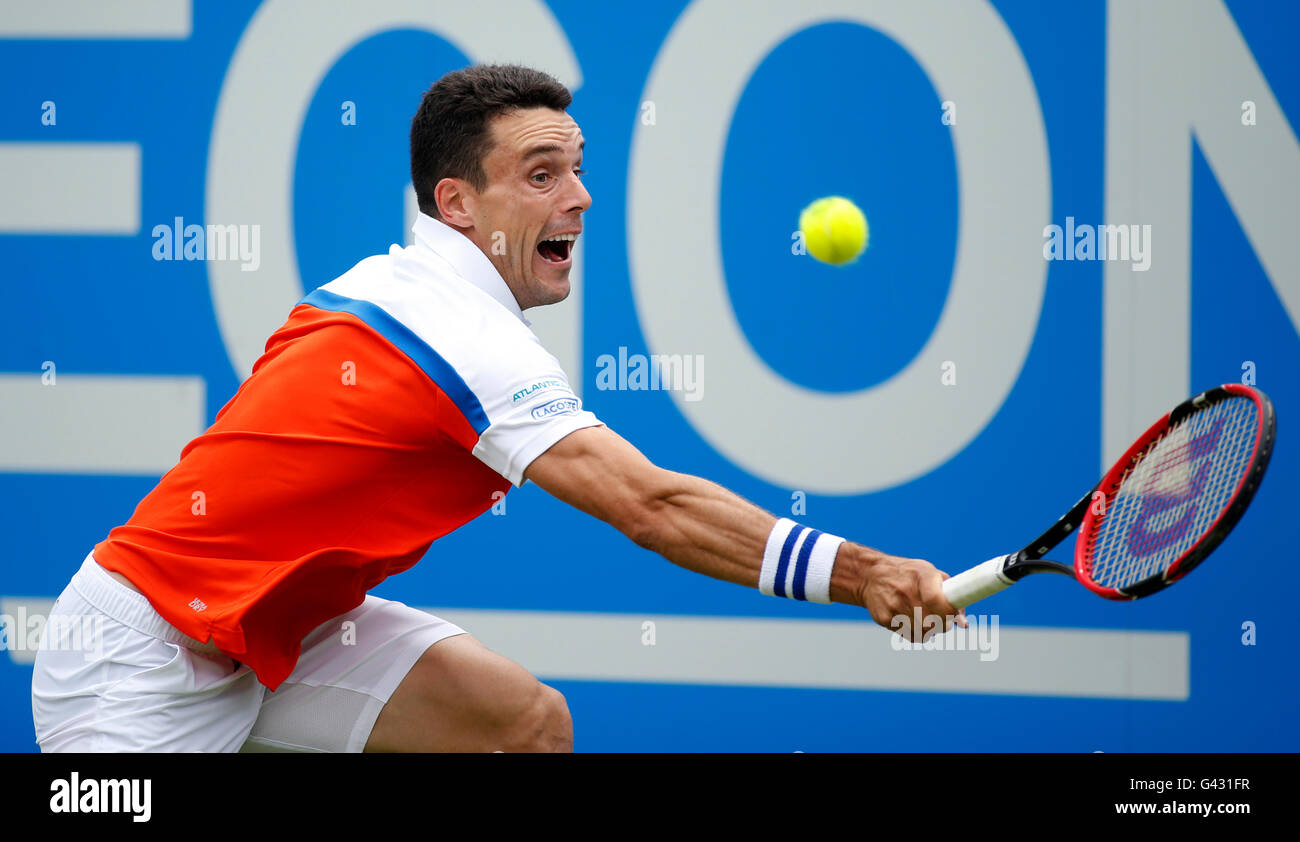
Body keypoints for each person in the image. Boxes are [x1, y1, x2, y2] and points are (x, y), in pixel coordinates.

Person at [31, 64, 961, 753]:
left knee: (521, 725)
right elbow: (652, 508)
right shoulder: (458, 335)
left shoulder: (406, 288)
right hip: (143, 655)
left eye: (579, 169)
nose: (581, 198)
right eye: (543, 173)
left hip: (286, 629)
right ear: (459, 203)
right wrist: (863, 573)